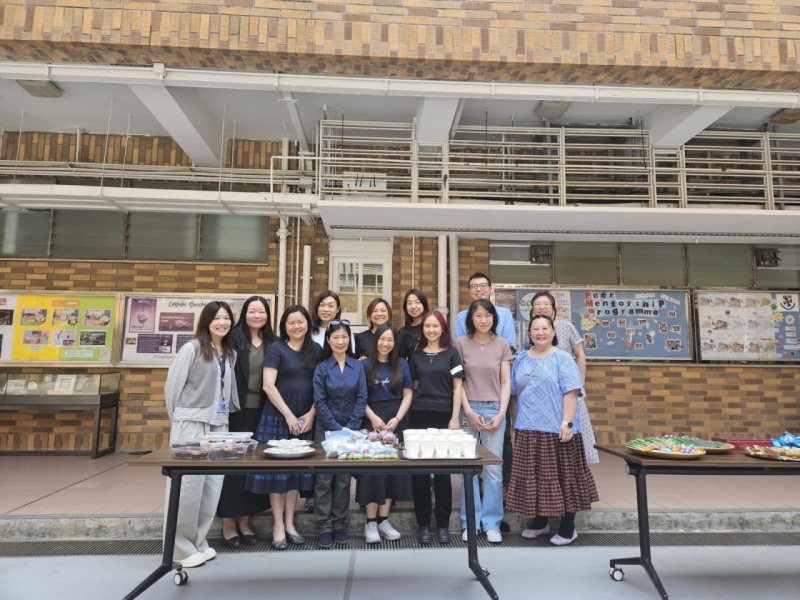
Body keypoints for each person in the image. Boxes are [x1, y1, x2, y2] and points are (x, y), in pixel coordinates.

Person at [507, 315, 599, 546]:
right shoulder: (521, 358)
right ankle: (541, 522)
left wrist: (567, 423)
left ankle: (568, 527)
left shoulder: (563, 358)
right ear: (529, 333)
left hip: (557, 429)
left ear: (553, 331)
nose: (540, 333)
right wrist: (515, 423)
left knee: (564, 477)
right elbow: (514, 394)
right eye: (535, 329)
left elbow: (572, 392)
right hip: (528, 428)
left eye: (545, 328)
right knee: (535, 477)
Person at [163, 301, 239, 568]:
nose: (222, 322)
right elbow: (173, 388)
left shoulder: (229, 353)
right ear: (206, 321)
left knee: (211, 487)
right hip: (191, 424)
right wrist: (180, 422)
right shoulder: (191, 348)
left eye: (226, 318)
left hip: (219, 425)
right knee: (188, 487)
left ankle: (198, 542)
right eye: (217, 318)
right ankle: (179, 548)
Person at [245, 305, 321, 550]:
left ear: (308, 324)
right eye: (291, 322)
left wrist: (311, 414)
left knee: (296, 473)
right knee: (277, 474)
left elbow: (322, 386)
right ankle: (277, 525)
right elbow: (268, 385)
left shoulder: (316, 350)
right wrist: (289, 415)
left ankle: (290, 523)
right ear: (284, 326)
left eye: (300, 321)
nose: (296, 326)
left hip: (306, 416)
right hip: (278, 416)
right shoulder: (277, 348)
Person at [217, 296, 274, 547]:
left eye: (262, 311)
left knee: (254, 466)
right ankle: (228, 520)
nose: (257, 315)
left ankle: (245, 520)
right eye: (252, 311)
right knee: (232, 466)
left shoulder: (273, 342)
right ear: (245, 314)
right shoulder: (233, 338)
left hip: (262, 412)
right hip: (234, 412)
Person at [454, 299, 512, 544]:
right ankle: (470, 522)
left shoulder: (502, 344)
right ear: (471, 318)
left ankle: (491, 524)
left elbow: (506, 382)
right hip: (467, 411)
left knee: (493, 470)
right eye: (478, 315)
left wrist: (501, 413)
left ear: (493, 318)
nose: (483, 320)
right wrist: (467, 411)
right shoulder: (460, 344)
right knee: (468, 469)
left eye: (487, 315)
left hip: (494, 410)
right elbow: (458, 383)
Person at [408, 310, 464, 545]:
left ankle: (442, 525)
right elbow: (413, 387)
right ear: (423, 329)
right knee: (419, 473)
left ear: (443, 329)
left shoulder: (452, 354)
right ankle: (423, 524)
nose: (431, 330)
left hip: (444, 416)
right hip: (419, 415)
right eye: (427, 326)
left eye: (435, 326)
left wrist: (455, 418)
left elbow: (458, 387)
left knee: (442, 472)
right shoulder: (416, 356)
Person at [313, 319, 368, 548]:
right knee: (324, 479)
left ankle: (339, 524)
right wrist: (337, 428)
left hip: (350, 431)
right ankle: (324, 525)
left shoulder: (357, 367)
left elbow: (362, 397)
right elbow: (319, 401)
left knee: (344, 479)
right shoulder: (322, 368)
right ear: (328, 340)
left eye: (344, 337)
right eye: (335, 337)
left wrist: (351, 426)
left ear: (349, 340)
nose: (340, 341)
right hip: (325, 430)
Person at [356, 323, 413, 543]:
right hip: (372, 419)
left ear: (395, 343)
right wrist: (372, 418)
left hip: (395, 420)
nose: (385, 344)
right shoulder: (363, 365)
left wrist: (397, 419)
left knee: (391, 471)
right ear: (375, 340)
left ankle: (383, 520)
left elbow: (407, 394)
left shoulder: (402, 364)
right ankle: (370, 522)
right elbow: (359, 396)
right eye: (382, 339)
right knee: (372, 472)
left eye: (390, 340)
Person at [528, 291, 598, 465]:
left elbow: (580, 355)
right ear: (532, 308)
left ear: (553, 307)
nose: (542, 307)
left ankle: (574, 470)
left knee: (572, 428)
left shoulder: (566, 326)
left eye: (546, 304)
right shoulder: (532, 330)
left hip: (568, 390)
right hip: (544, 392)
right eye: (537, 304)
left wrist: (580, 385)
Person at [454, 272, 517, 352]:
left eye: (483, 285)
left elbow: (510, 346)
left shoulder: (505, 314)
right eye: (474, 286)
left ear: (490, 289)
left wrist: (488, 356)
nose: (478, 289)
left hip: (498, 359)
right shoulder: (461, 316)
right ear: (469, 291)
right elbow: (458, 347)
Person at [397, 288, 429, 361]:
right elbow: (400, 360)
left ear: (424, 304)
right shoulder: (403, 333)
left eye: (417, 302)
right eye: (409, 303)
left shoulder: (432, 328)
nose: (413, 306)